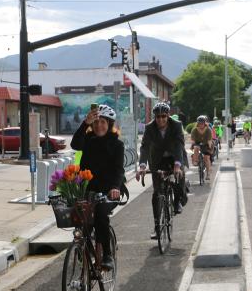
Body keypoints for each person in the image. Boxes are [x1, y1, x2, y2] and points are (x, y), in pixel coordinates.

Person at [70, 104, 124, 270]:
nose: (99, 125)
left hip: (110, 190)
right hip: (88, 189)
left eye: (103, 122)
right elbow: (74, 144)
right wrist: (85, 123)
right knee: (80, 215)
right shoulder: (88, 140)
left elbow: (118, 169)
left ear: (109, 124)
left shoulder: (117, 144)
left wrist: (115, 187)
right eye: (96, 122)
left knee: (100, 214)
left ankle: (107, 255)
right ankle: (84, 247)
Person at [137, 101, 186, 239]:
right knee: (157, 192)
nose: (161, 119)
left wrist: (177, 164)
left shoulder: (176, 125)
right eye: (158, 117)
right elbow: (145, 147)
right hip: (157, 159)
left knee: (179, 176)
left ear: (168, 115)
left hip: (174, 156)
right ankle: (157, 227)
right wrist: (142, 166)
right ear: (154, 117)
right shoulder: (149, 127)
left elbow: (179, 144)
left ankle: (178, 201)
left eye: (164, 116)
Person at [190, 115, 213, 180]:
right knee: (196, 147)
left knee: (206, 158)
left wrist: (209, 148)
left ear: (204, 123)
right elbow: (193, 140)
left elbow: (209, 141)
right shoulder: (194, 130)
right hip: (197, 144)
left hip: (206, 144)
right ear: (197, 123)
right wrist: (193, 145)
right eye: (199, 123)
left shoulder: (208, 130)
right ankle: (196, 160)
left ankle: (208, 173)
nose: (201, 125)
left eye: (202, 123)